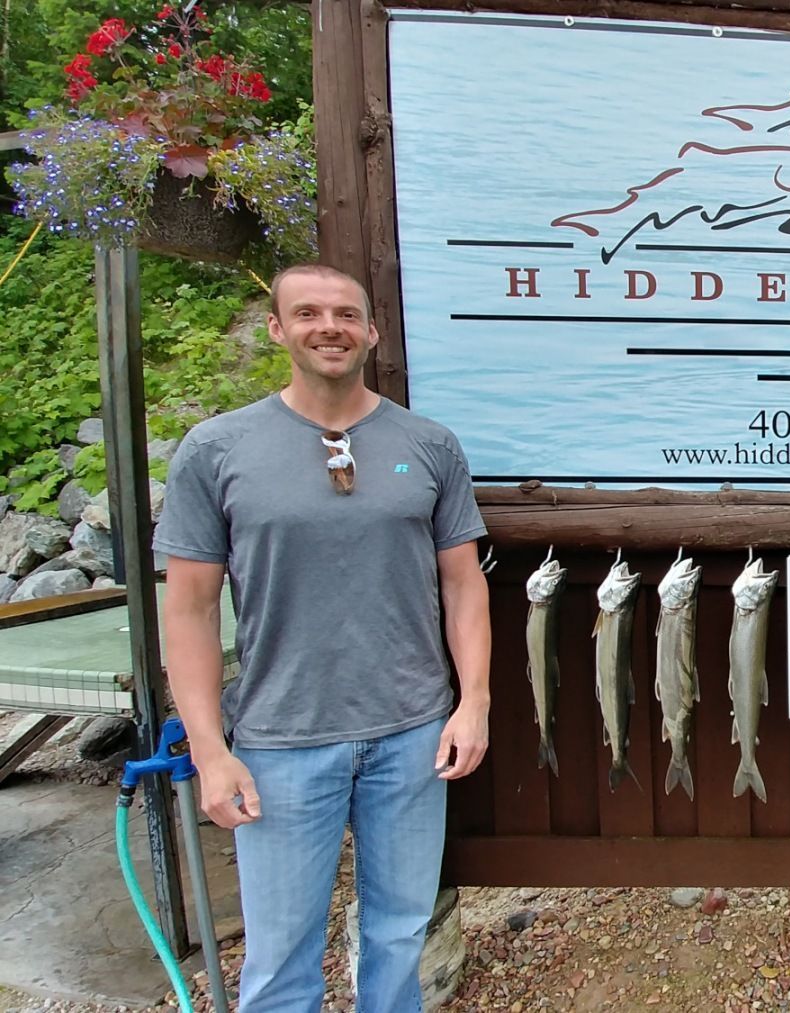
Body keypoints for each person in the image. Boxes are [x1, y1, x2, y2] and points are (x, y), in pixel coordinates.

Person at [157, 264, 492, 1012]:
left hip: (411, 732)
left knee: (401, 934)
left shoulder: (428, 444)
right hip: (279, 740)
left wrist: (473, 702)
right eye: (307, 312)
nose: (329, 326)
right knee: (279, 956)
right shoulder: (217, 450)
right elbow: (188, 610)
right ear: (278, 329)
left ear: (372, 331)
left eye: (345, 313)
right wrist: (212, 751)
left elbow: (462, 583)